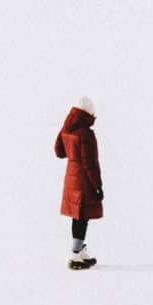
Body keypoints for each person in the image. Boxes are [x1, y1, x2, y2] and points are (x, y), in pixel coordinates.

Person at [55, 95, 103, 270]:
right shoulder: (86, 134)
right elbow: (91, 164)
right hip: (83, 181)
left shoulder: (66, 130)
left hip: (71, 178)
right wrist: (97, 186)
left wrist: (72, 153)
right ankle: (75, 254)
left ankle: (80, 251)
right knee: (82, 216)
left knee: (79, 215)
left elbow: (59, 152)